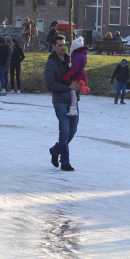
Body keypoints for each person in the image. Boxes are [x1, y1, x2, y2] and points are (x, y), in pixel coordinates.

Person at [45, 35, 81, 171]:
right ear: (53, 46)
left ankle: (55, 150)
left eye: (64, 45)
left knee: (72, 130)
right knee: (64, 130)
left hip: (73, 100)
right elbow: (50, 84)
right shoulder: (51, 63)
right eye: (59, 45)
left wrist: (79, 84)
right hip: (60, 100)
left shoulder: (70, 59)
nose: (62, 47)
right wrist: (68, 86)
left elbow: (77, 74)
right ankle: (65, 162)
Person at [62, 37, 88, 115]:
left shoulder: (77, 56)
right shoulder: (82, 55)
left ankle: (73, 108)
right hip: (80, 75)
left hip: (78, 76)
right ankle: (73, 108)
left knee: (73, 91)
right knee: (74, 91)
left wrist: (67, 75)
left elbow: (74, 68)